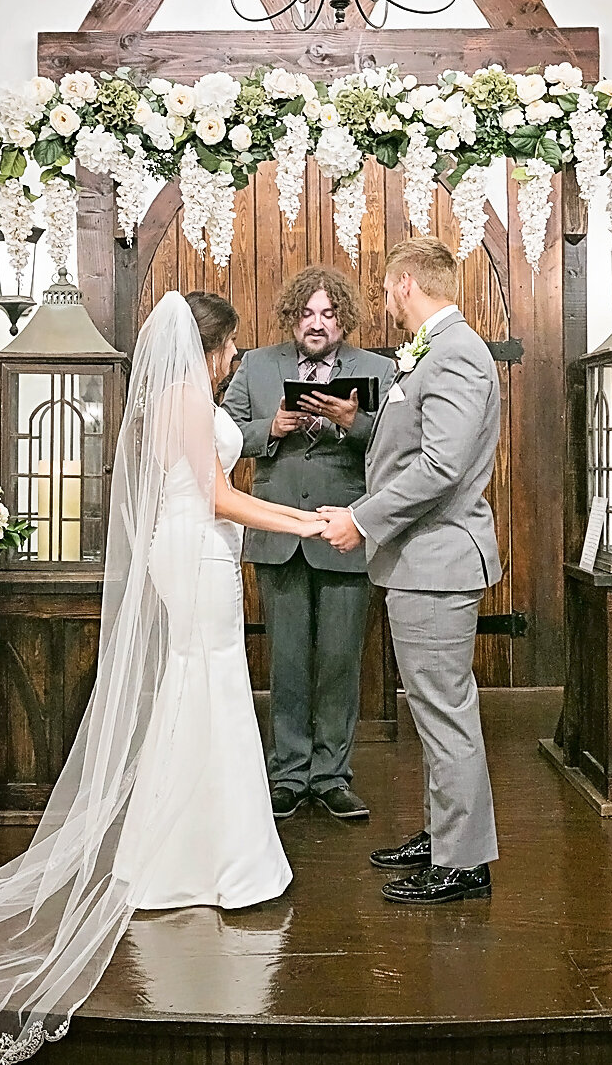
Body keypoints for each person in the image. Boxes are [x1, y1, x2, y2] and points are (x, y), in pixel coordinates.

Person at [0, 291, 325, 1064]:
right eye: (230, 348)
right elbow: (220, 495)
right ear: (213, 346)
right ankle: (206, 860)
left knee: (200, 694)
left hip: (195, 548)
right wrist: (305, 520)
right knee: (210, 690)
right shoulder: (190, 398)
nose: (233, 361)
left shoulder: (170, 398)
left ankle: (186, 851)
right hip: (197, 553)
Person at [320, 238, 502, 904]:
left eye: (387, 289)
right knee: (433, 710)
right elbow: (413, 451)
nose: (387, 302)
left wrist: (363, 519)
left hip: (436, 560)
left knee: (445, 711)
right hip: (422, 559)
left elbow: (441, 468)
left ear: (401, 285)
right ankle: (443, 832)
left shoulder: (454, 354)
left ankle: (463, 862)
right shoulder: (441, 349)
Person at [224, 266, 395, 821]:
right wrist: (269, 429)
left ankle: (332, 775)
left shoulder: (377, 370)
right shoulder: (256, 365)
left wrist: (353, 422)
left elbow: (395, 445)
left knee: (342, 660)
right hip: (277, 533)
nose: (316, 324)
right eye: (307, 315)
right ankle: (289, 773)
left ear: (342, 318)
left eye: (327, 315)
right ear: (292, 318)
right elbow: (221, 437)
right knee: (288, 661)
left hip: (343, 531)